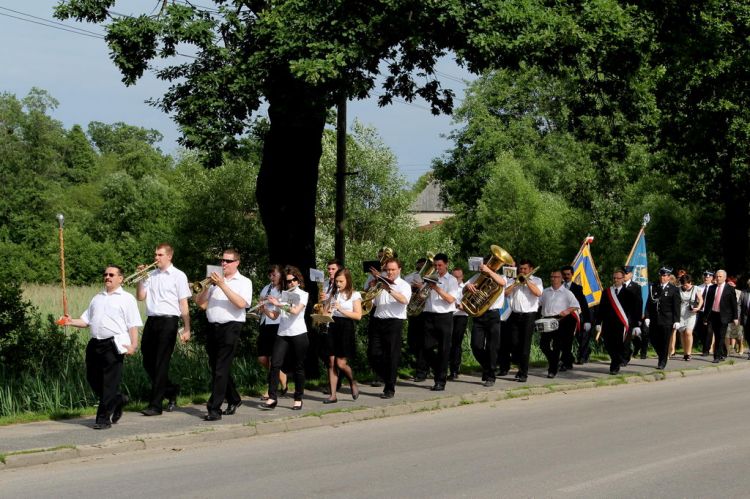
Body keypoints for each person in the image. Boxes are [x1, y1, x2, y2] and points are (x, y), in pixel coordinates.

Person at [60, 265, 142, 429]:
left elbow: (133, 324)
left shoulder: (126, 298)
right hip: (95, 344)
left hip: (114, 344)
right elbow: (86, 321)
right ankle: (117, 399)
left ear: (120, 278)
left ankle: (103, 419)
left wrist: (133, 345)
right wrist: (70, 321)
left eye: (112, 274)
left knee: (109, 383)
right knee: (92, 378)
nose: (107, 277)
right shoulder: (97, 297)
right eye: (105, 274)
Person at [194, 249, 253, 420]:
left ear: (237, 263)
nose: (223, 264)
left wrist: (222, 285)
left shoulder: (243, 281)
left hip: (231, 327)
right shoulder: (213, 282)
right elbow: (201, 304)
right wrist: (207, 287)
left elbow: (241, 303)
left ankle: (214, 409)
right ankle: (234, 398)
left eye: (227, 261)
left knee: (220, 368)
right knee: (216, 368)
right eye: (222, 261)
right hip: (213, 327)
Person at [136, 243, 191, 416]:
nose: (156, 258)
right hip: (152, 320)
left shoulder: (178, 275)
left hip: (169, 321)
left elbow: (183, 303)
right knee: (147, 359)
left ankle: (156, 405)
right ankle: (170, 390)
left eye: (160, 255)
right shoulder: (150, 275)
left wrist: (187, 328)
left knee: (161, 362)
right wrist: (140, 278)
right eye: (155, 255)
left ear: (169, 256)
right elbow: (140, 297)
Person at [262, 265, 309, 410]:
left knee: (298, 367)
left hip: (299, 333)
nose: (291, 283)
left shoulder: (303, 294)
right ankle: (272, 397)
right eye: (288, 281)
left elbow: (295, 311)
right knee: (275, 364)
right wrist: (263, 307)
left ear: (298, 280)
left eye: (294, 280)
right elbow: (274, 316)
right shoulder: (281, 295)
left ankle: (298, 398)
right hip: (282, 333)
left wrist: (278, 303)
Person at [367, 257, 412, 398]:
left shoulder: (404, 285)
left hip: (394, 322)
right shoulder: (380, 283)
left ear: (399, 270)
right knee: (372, 353)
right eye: (387, 270)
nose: (390, 272)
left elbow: (404, 300)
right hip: (378, 320)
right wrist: (371, 287)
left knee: (392, 356)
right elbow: (371, 302)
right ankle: (387, 377)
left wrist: (389, 289)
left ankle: (389, 388)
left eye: (393, 269)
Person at [418, 253, 460, 391]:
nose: (437, 268)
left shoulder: (452, 280)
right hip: (428, 315)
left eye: (440, 265)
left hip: (444, 317)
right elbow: (421, 296)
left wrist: (436, 287)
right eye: (435, 265)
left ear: (446, 264)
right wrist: (422, 288)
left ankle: (440, 381)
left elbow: (450, 299)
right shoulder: (429, 277)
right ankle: (440, 370)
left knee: (443, 349)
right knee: (426, 347)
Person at [463, 259, 506, 386]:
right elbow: (464, 290)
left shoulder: (501, 276)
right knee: (476, 345)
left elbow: (502, 283)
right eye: (487, 264)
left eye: (491, 264)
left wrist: (489, 272)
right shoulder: (478, 276)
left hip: (493, 314)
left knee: (492, 347)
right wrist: (467, 287)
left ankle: (491, 376)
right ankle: (488, 367)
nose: (488, 266)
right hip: (479, 314)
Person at [323, 268, 362, 403]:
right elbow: (325, 312)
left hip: (346, 327)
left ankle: (352, 381)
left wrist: (341, 309)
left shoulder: (354, 295)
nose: (338, 284)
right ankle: (333, 395)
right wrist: (325, 309)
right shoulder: (333, 293)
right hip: (333, 325)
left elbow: (358, 315)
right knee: (331, 362)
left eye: (341, 281)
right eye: (336, 281)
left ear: (348, 280)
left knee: (340, 363)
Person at [501, 259, 543, 382]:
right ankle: (519, 366)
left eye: (525, 269)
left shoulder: (537, 280)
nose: (522, 271)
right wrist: (516, 283)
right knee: (513, 343)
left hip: (529, 316)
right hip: (514, 315)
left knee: (525, 345)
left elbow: (538, 293)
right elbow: (505, 293)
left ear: (531, 269)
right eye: (521, 269)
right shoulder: (513, 279)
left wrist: (527, 282)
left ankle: (523, 373)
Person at [538, 270, 580, 378]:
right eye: (552, 276)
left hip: (559, 320)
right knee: (543, 345)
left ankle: (552, 370)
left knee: (557, 346)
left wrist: (567, 311)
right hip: (546, 319)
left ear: (561, 279)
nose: (553, 279)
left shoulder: (567, 293)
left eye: (556, 277)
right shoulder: (545, 291)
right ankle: (554, 361)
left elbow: (576, 305)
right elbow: (538, 303)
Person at [596, 269, 639, 375]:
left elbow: (633, 310)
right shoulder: (606, 292)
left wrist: (636, 325)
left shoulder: (629, 293)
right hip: (608, 323)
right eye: (614, 278)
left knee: (619, 344)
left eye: (618, 278)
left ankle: (614, 365)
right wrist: (598, 322)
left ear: (623, 279)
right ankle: (620, 357)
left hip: (622, 324)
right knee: (608, 344)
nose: (615, 280)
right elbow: (601, 308)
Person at [256, 264, 287, 400]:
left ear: (281, 275)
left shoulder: (284, 290)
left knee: (274, 359)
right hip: (264, 323)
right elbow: (260, 305)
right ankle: (282, 374)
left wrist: (270, 305)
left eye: (274, 274)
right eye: (270, 275)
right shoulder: (266, 288)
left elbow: (282, 308)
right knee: (262, 358)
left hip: (277, 324)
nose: (271, 277)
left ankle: (270, 390)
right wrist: (259, 307)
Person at [645, 267, 681, 369]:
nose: (662, 277)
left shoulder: (674, 289)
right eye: (661, 275)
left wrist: (677, 320)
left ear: (669, 277)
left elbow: (676, 306)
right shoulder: (654, 287)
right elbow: (649, 303)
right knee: (653, 339)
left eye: (664, 275)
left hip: (667, 319)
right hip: (655, 318)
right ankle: (662, 355)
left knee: (665, 341)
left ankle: (662, 362)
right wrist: (647, 316)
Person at [318, 259, 343, 394]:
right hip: (326, 319)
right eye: (328, 269)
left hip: (338, 320)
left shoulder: (342, 284)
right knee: (326, 355)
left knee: (334, 357)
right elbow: (324, 303)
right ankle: (335, 381)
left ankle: (334, 384)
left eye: (333, 269)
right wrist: (323, 301)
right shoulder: (326, 284)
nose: (330, 271)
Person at [703, 269, 739, 363]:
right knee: (717, 335)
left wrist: (735, 317)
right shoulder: (712, 288)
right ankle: (723, 353)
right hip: (713, 314)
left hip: (724, 315)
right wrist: (705, 317)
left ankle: (717, 356)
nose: (718, 278)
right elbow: (708, 304)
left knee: (721, 335)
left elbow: (734, 304)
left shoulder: (729, 289)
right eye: (717, 276)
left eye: (720, 277)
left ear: (725, 278)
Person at [404, 257, 429, 382]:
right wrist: (411, 288)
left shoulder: (432, 278)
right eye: (419, 267)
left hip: (426, 313)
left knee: (424, 344)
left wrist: (422, 287)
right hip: (414, 312)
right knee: (413, 343)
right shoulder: (409, 277)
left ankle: (422, 371)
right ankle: (422, 367)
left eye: (424, 266)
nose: (421, 269)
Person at [561, 265, 591, 368]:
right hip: (561, 318)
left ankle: (580, 356)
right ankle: (568, 360)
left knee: (577, 339)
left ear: (572, 275)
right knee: (563, 340)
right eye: (564, 275)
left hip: (574, 317)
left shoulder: (577, 288)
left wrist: (587, 320)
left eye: (568, 274)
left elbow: (583, 304)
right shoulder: (558, 287)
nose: (566, 277)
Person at [620, 266, 644, 366]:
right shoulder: (618, 285)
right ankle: (624, 354)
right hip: (619, 317)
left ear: (631, 274)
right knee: (619, 339)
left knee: (626, 339)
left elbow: (639, 304)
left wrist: (638, 320)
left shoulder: (636, 287)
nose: (624, 276)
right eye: (623, 274)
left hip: (630, 318)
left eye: (626, 274)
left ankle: (625, 358)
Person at [448, 267, 469, 380]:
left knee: (456, 344)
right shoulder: (448, 285)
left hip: (461, 317)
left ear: (462, 277)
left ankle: (454, 370)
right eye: (454, 277)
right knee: (446, 343)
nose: (456, 279)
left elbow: (467, 307)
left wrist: (455, 304)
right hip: (449, 315)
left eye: (458, 277)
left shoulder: (465, 288)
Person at [677, 274, 703, 361]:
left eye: (686, 284)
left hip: (691, 314)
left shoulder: (696, 288)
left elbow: (701, 299)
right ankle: (685, 352)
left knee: (688, 332)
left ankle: (688, 353)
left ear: (690, 282)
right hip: (681, 313)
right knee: (682, 333)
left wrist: (698, 308)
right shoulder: (679, 289)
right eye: (683, 284)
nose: (685, 286)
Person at [695, 271, 715, 355]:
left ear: (711, 278)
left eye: (708, 277)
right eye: (705, 276)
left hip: (710, 312)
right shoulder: (698, 287)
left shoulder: (714, 287)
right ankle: (705, 345)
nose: (706, 278)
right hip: (700, 311)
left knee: (709, 331)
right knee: (699, 330)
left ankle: (706, 350)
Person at [725, 276, 743, 356]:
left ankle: (741, 346)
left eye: (731, 284)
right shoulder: (724, 292)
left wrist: (737, 316)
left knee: (737, 333)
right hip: (726, 315)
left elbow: (740, 305)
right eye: (728, 284)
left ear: (735, 285)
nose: (730, 286)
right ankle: (729, 350)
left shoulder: (739, 293)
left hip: (737, 315)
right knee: (727, 333)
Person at [740, 279, 750, 359]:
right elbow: (739, 304)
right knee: (748, 335)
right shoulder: (744, 292)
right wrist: (738, 316)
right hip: (746, 317)